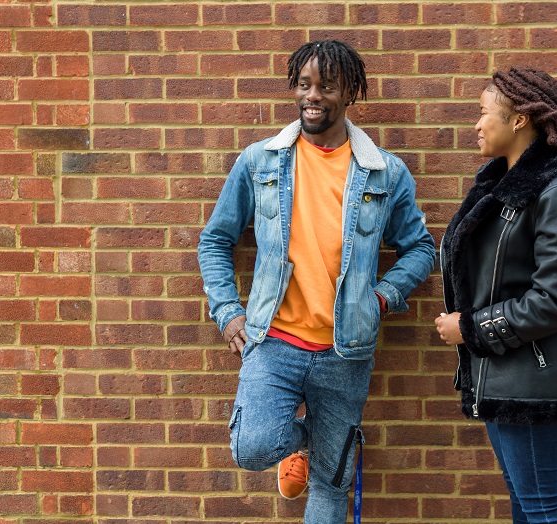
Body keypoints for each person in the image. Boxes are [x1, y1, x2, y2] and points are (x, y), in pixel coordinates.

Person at [198, 39, 435, 523]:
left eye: (325, 86)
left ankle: (328, 453)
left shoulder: (384, 173)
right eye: (304, 85)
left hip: (345, 351)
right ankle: (307, 442)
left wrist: (383, 299)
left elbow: (422, 248)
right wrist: (227, 312)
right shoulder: (260, 162)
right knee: (250, 446)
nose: (312, 96)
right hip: (273, 342)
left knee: (331, 483)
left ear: (349, 92)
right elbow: (215, 241)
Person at [433, 66, 557, 523]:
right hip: (509, 374)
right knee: (526, 503)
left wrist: (470, 328)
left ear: (518, 121)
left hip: (537, 383)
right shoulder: (501, 190)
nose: (476, 124)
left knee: (544, 508)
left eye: (483, 113)